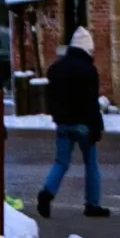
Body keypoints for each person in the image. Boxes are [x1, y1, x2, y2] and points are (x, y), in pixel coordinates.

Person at [29, 26, 109, 221]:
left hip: (63, 123)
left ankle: (47, 193)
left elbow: (52, 98)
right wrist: (96, 127)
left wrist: (57, 116)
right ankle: (92, 204)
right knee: (91, 164)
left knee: (61, 162)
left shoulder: (56, 68)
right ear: (86, 49)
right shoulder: (88, 70)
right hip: (83, 125)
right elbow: (90, 102)